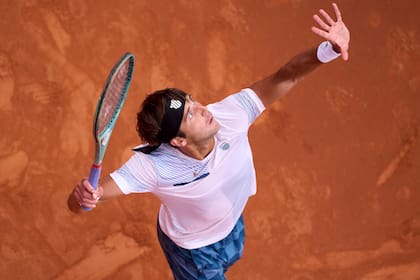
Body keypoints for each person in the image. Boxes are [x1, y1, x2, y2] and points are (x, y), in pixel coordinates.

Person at [68, 3, 350, 279]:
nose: (203, 109)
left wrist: (329, 50)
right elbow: (83, 204)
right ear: (177, 141)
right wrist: (84, 197)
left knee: (233, 256)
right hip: (192, 251)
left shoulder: (229, 115)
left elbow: (285, 77)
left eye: (192, 101)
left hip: (232, 225)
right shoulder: (152, 167)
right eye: (191, 114)